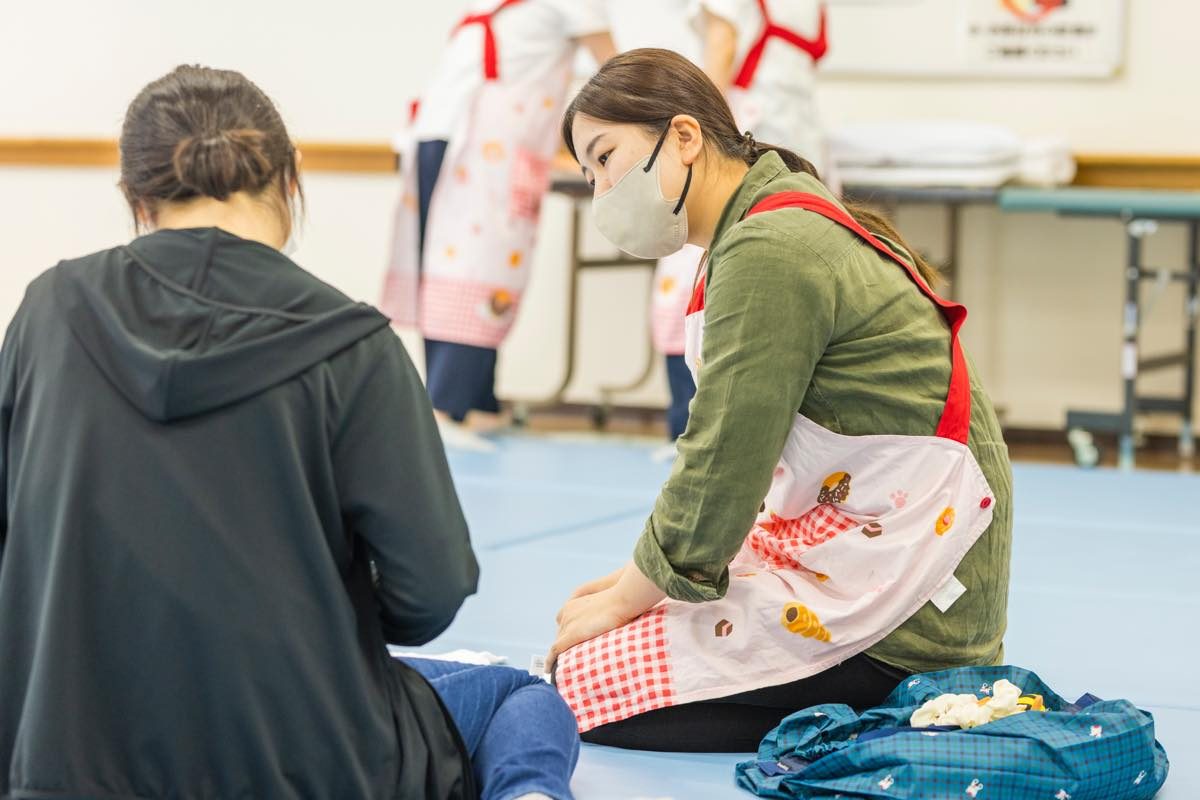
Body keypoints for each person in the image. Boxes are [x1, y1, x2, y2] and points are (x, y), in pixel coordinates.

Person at [0, 65, 578, 800]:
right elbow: (429, 595)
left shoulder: (48, 314)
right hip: (309, 762)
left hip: (66, 759)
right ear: (290, 180)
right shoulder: (352, 343)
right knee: (518, 695)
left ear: (134, 197)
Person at [547, 49, 1013, 753]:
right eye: (588, 175)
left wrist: (627, 597)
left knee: (581, 681)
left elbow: (722, 463)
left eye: (606, 158)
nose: (602, 190)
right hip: (872, 548)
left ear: (683, 136)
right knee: (597, 635)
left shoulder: (770, 245)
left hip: (914, 606)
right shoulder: (760, 224)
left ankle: (899, 691)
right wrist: (635, 579)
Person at [382, 0, 615, 452]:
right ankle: (448, 406)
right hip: (482, 146)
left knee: (465, 265)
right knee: (477, 267)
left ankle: (475, 402)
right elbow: (619, 71)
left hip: (448, 134)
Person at [651, 0, 838, 444]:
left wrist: (684, 139)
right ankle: (761, 430)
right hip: (795, 149)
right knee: (790, 282)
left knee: (699, 278)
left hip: (740, 143)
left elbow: (722, 44)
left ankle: (694, 426)